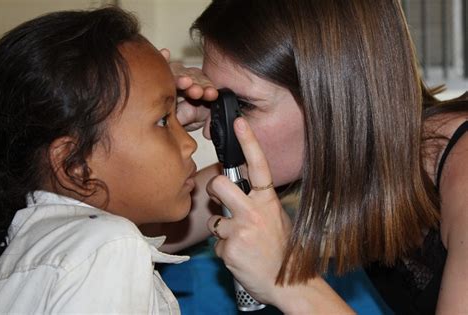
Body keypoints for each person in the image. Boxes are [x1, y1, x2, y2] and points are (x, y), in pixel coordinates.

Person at [147, 0, 468, 313]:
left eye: (242, 106)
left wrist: (288, 282)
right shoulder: (343, 149)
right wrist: (151, 123)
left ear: (332, 103)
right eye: (222, 105)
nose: (212, 132)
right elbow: (141, 237)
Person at [0, 7, 199, 314]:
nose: (189, 143)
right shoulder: (108, 247)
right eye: (162, 121)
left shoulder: (37, 248)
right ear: (75, 166)